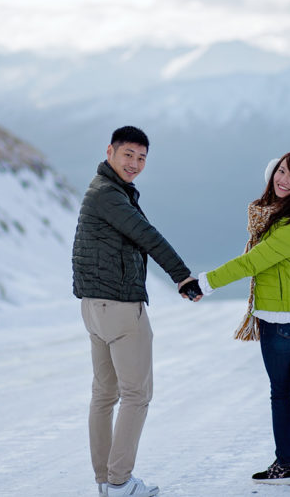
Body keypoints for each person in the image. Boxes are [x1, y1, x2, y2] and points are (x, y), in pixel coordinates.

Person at [183, 150, 290, 492]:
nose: (283, 179)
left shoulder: (289, 228)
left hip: (283, 321)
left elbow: (251, 263)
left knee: (282, 392)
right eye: (280, 171)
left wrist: (203, 283)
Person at [72, 125, 194, 497]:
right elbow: (148, 235)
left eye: (142, 158)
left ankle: (105, 481)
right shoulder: (109, 195)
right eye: (129, 155)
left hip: (94, 307)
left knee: (105, 395)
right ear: (110, 151)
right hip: (121, 308)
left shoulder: (102, 191)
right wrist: (182, 276)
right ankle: (120, 480)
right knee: (136, 395)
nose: (135, 164)